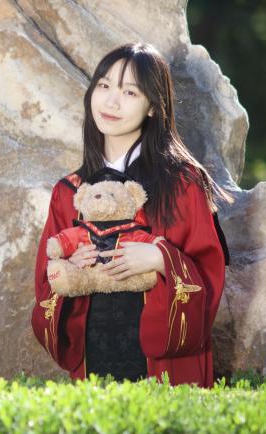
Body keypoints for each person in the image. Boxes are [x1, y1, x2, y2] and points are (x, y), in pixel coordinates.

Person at [30, 42, 231, 387]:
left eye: (130, 92)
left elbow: (210, 273)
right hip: (93, 361)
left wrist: (161, 258)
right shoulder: (70, 191)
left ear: (153, 106)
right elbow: (45, 283)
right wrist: (69, 267)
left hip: (166, 367)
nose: (112, 101)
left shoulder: (182, 183)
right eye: (104, 86)